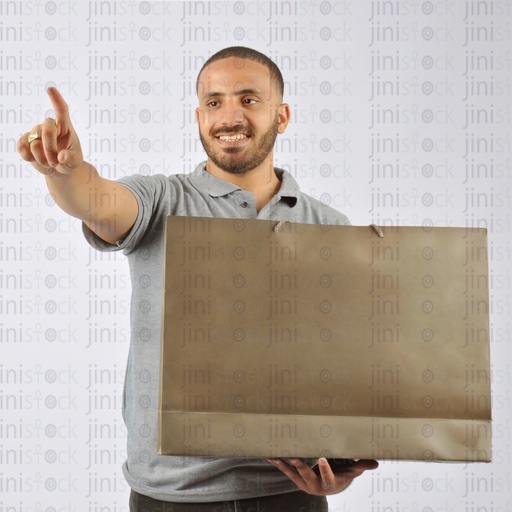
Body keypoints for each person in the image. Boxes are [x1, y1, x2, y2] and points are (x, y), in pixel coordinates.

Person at [17, 46, 378, 512]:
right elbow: (97, 200)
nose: (229, 116)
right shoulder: (163, 201)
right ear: (198, 116)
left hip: (289, 493)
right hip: (173, 497)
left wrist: (341, 467)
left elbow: (344, 365)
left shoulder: (330, 226)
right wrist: (65, 172)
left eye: (249, 99)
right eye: (214, 102)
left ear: (282, 115)